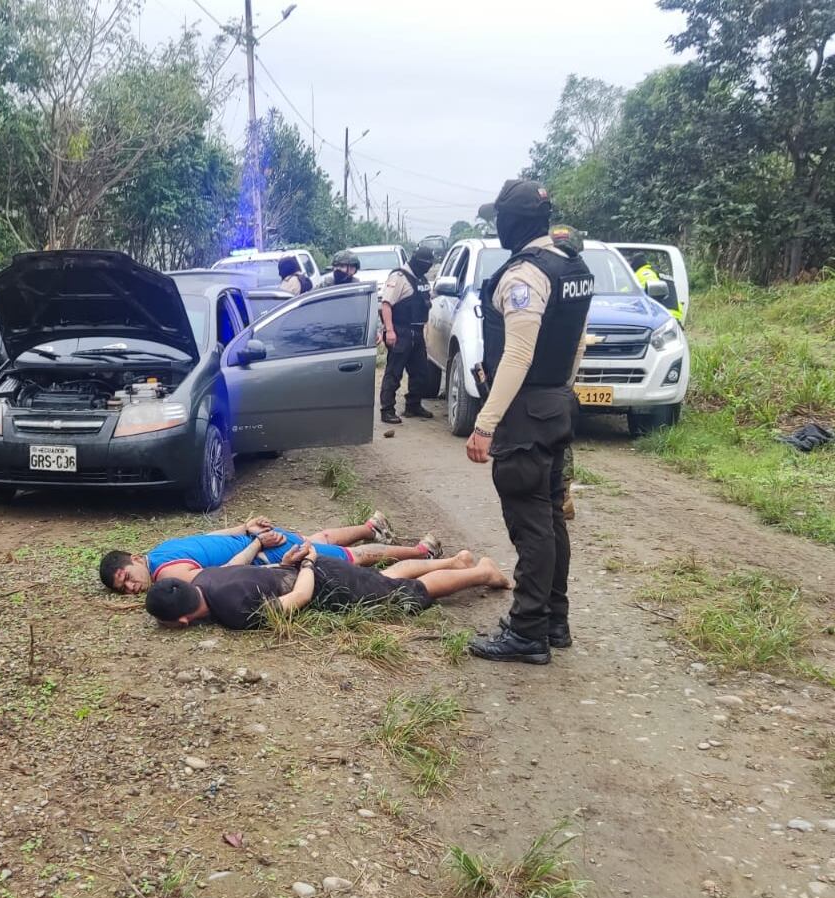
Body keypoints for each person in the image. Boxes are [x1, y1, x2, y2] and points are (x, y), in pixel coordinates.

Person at [463, 179, 596, 665]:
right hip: (557, 404)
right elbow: (579, 339)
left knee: (532, 524)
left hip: (526, 413)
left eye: (499, 218)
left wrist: (486, 422)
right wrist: (563, 388)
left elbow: (518, 353)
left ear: (512, 222)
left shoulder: (525, 276)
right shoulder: (572, 265)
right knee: (552, 518)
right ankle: (554, 620)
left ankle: (527, 631)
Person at [146, 541, 511, 631]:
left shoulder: (233, 612)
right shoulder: (206, 577)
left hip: (322, 580)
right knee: (388, 579)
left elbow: (300, 598)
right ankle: (454, 562)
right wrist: (292, 561)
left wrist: (307, 563)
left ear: (181, 621)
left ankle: (481, 572)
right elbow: (245, 569)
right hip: (314, 568)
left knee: (408, 595)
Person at [98, 513, 446, 595]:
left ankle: (421, 551)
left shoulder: (166, 572)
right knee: (319, 537)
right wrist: (245, 529)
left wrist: (251, 539)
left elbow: (223, 572)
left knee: (352, 559)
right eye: (123, 588)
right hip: (262, 541)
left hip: (266, 550)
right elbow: (207, 538)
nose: (130, 587)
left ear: (136, 558)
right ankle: (372, 525)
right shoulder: (160, 551)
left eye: (126, 577)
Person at [378, 246, 438, 424]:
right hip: (400, 331)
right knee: (394, 373)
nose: (427, 267)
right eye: (425, 264)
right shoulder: (399, 277)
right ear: (417, 261)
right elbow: (386, 305)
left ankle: (413, 405)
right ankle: (387, 410)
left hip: (417, 332)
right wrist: (389, 331)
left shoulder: (421, 279)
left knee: (421, 373)